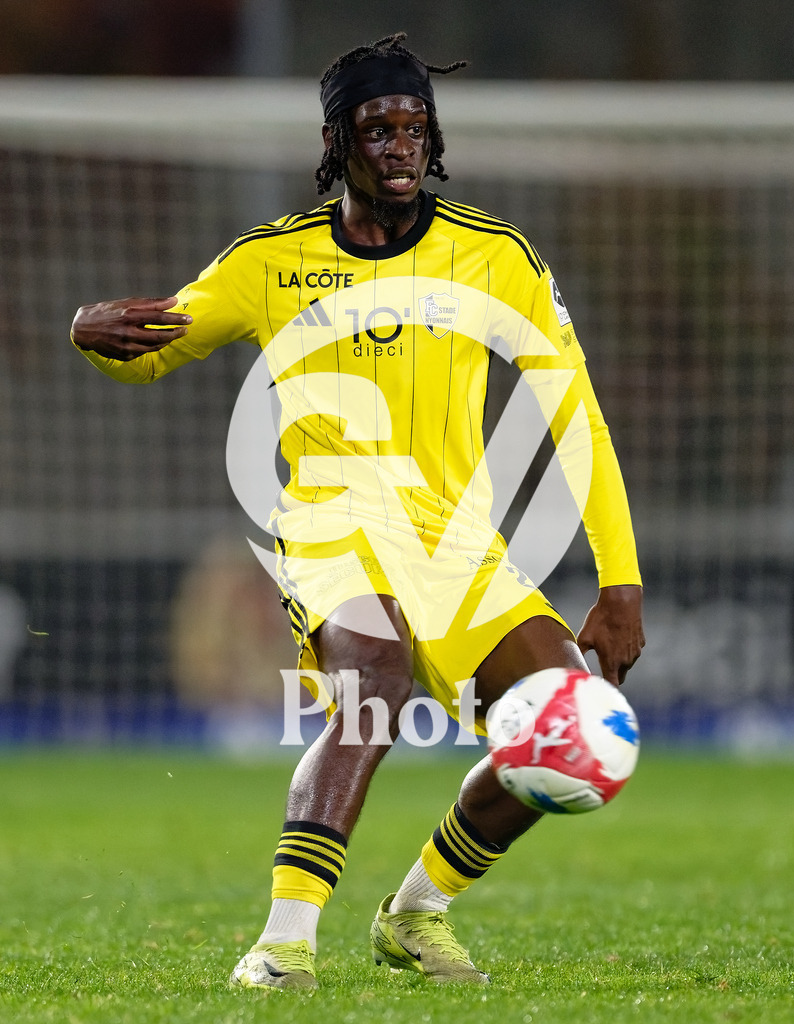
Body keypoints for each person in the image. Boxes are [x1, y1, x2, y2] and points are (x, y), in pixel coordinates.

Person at [71, 33, 645, 991]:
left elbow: (574, 418)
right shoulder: (269, 264)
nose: (401, 145)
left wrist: (619, 581)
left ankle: (417, 912)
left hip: (456, 542)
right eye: (379, 128)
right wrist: (90, 332)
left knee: (580, 728)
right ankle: (282, 943)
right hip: (332, 530)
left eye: (416, 126)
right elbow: (156, 343)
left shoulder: (494, 258)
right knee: (372, 680)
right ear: (338, 141)